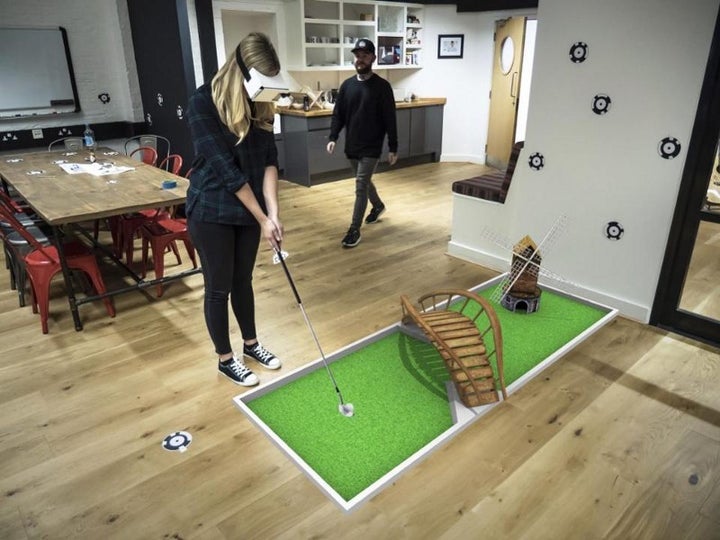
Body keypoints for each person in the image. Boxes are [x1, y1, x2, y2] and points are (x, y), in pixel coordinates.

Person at [185, 32, 285, 386]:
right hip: (211, 209)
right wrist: (262, 218)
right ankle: (225, 360)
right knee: (219, 287)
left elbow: (269, 160)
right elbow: (228, 172)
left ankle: (251, 345)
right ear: (242, 70)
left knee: (243, 280)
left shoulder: (261, 99)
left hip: (247, 209)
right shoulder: (202, 102)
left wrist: (272, 214)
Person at [326, 38, 398, 248]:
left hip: (371, 146)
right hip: (352, 144)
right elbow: (338, 115)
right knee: (364, 182)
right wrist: (333, 137)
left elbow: (390, 119)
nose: (360, 59)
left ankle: (354, 229)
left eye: (365, 55)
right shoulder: (347, 86)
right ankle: (378, 205)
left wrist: (393, 146)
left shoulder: (382, 87)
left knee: (360, 186)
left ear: (373, 58)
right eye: (358, 55)